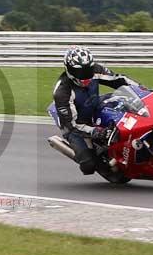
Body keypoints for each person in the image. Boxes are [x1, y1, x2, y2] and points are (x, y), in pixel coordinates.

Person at [52, 46, 139, 174]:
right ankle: (72, 149)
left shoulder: (95, 70)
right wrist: (97, 132)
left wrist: (141, 89)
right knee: (88, 165)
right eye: (80, 72)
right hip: (76, 124)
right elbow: (72, 125)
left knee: (121, 100)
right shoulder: (62, 92)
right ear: (69, 70)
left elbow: (119, 79)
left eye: (88, 70)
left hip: (94, 105)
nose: (85, 75)